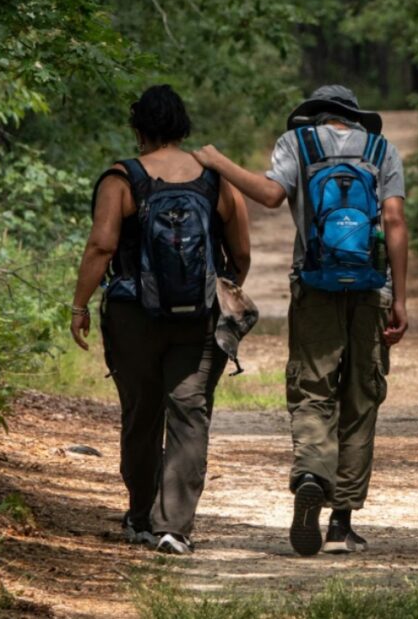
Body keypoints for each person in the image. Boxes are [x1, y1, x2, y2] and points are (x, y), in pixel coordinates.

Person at [192, 85, 408, 556]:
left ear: (313, 115)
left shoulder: (298, 143)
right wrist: (401, 300)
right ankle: (341, 524)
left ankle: (312, 473)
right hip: (371, 287)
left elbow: (270, 195)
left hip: (313, 285)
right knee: (361, 394)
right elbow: (394, 221)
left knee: (314, 389)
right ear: (354, 117)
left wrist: (218, 162)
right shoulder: (381, 149)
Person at [70, 85, 251, 555]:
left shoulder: (121, 178)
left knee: (142, 413)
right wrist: (217, 286)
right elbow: (242, 253)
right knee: (189, 415)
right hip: (199, 318)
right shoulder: (215, 179)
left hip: (133, 315)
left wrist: (79, 304)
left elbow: (102, 246)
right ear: (183, 127)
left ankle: (139, 516)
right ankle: (174, 527)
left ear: (138, 130)